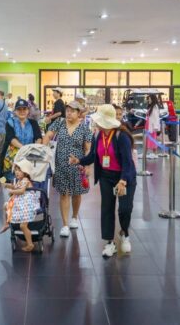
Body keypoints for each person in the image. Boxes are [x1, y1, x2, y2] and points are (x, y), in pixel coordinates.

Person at [70, 104, 137, 258]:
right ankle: (109, 242)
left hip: (124, 177)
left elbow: (127, 162)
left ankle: (124, 233)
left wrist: (123, 181)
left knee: (125, 209)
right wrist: (79, 161)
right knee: (107, 209)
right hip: (106, 176)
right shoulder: (98, 136)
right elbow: (93, 156)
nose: (96, 123)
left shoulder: (122, 136)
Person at [42, 100, 92, 238]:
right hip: (61, 164)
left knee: (77, 193)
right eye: (67, 110)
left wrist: (87, 165)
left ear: (79, 113)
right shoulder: (60, 122)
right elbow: (48, 135)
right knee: (64, 193)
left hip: (78, 166)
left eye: (72, 111)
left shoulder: (84, 129)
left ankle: (74, 217)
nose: (69, 113)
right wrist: (43, 149)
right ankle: (65, 225)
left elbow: (88, 149)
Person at [0, 164, 40, 252]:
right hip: (21, 204)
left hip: (27, 206)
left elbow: (21, 191)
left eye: (20, 170)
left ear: (25, 172)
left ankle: (30, 244)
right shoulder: (19, 181)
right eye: (16, 170)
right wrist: (6, 184)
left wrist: (12, 191)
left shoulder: (25, 180)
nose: (17, 172)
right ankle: (6, 224)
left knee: (23, 226)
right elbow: (14, 186)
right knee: (6, 206)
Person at [0, 99, 43, 181]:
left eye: (24, 109)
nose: (22, 111)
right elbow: (11, 138)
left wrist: (36, 147)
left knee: (28, 181)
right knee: (13, 181)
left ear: (28, 110)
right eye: (19, 109)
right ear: (15, 111)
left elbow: (38, 137)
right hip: (13, 159)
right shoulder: (10, 122)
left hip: (29, 157)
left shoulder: (33, 123)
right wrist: (24, 149)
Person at [145, 94, 161, 159]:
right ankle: (146, 153)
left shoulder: (155, 107)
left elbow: (156, 118)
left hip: (152, 126)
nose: (148, 100)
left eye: (149, 99)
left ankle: (154, 153)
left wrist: (155, 127)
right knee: (147, 139)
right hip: (148, 124)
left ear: (152, 99)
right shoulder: (151, 106)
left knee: (153, 139)